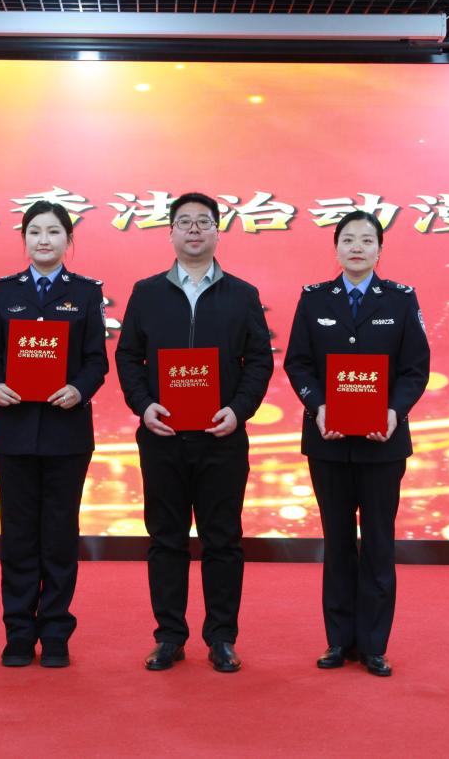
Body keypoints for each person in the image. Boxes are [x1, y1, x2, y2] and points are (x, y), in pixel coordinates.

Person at [115, 192, 273, 673]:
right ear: (170, 233)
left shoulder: (242, 294)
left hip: (221, 438)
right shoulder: (147, 292)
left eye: (203, 222)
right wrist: (143, 405)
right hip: (162, 437)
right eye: (184, 222)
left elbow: (259, 361)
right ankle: (169, 636)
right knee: (166, 538)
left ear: (217, 232)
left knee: (222, 540)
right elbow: (128, 356)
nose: (194, 230)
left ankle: (221, 638)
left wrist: (238, 411)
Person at [283, 209, 431, 677]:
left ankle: (373, 645)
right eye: (348, 239)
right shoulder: (313, 299)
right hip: (328, 441)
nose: (357, 248)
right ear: (336, 247)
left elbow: (415, 370)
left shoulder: (401, 299)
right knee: (338, 542)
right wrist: (318, 407)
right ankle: (338, 640)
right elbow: (298, 363)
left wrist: (394, 412)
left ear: (380, 249)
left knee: (379, 543)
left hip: (382, 442)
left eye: (367, 240)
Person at [0, 201, 109, 668]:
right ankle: (17, 631)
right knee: (17, 535)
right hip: (14, 431)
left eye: (54, 232)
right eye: (35, 232)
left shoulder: (87, 293)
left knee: (58, 535)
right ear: (24, 239)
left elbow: (97, 360)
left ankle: (55, 631)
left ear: (68, 240)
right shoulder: (3, 292)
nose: (44, 240)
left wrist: (79, 389)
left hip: (66, 433)